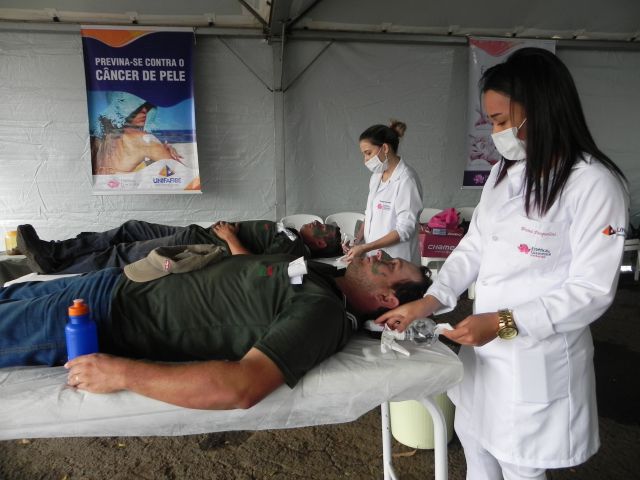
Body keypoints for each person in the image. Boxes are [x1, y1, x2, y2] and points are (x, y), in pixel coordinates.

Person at [377, 47, 629, 479]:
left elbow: (591, 291)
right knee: (476, 446)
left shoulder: (593, 184)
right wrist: (430, 300)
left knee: (519, 466)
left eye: (500, 121)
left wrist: (504, 322)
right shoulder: (505, 171)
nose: (495, 133)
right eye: (491, 122)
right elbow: (475, 244)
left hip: (535, 356)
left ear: (541, 110)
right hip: (486, 355)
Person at [0, 250, 431, 410]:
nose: (380, 256)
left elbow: (242, 387)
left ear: (386, 299)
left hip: (108, 318)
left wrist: (122, 374)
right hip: (119, 282)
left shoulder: (324, 313)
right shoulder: (323, 273)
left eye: (390, 265)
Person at [16, 219, 341, 274]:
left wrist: (230, 237)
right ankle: (55, 252)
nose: (317, 222)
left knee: (125, 254)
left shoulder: (296, 251)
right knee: (130, 229)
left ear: (320, 241)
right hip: (197, 231)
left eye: (322, 227)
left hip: (202, 245)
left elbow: (253, 266)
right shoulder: (291, 231)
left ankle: (58, 267)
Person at [344, 120, 423, 265]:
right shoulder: (376, 177)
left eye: (368, 153)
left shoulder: (406, 179)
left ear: (385, 148)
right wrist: (357, 241)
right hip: (375, 259)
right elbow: (370, 214)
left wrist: (366, 247)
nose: (365, 160)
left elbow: (405, 229)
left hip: (398, 261)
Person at [91, 91, 183, 175]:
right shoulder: (143, 139)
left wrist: (159, 152)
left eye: (147, 106)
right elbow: (182, 175)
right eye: (137, 107)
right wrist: (164, 152)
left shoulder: (99, 135)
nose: (144, 111)